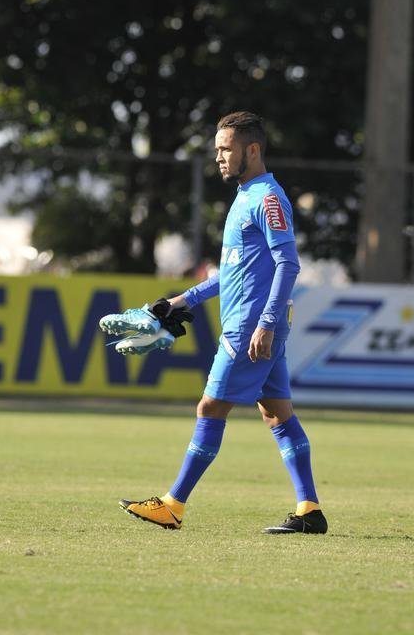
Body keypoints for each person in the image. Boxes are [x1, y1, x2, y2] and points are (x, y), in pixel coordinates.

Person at [119, 111, 327, 534]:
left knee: (210, 407)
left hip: (251, 327)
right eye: (216, 149)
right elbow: (231, 273)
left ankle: (173, 504)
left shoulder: (268, 198)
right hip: (256, 325)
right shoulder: (245, 196)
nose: (218, 157)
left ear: (252, 150)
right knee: (277, 414)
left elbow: (289, 264)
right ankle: (310, 510)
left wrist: (266, 322)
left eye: (225, 149)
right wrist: (181, 299)